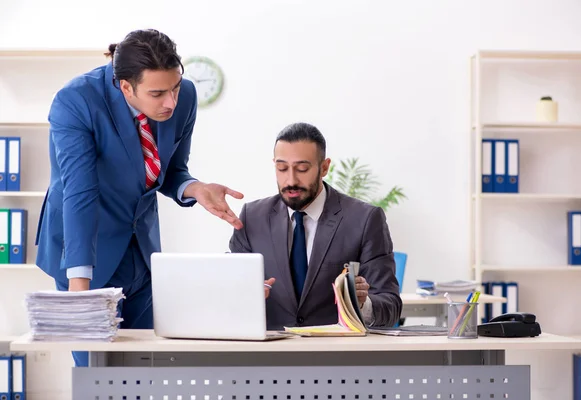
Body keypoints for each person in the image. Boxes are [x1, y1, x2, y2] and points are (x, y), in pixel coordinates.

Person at [35, 29, 243, 366]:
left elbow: (172, 170)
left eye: (175, 88)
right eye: (158, 93)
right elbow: (80, 193)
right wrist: (80, 290)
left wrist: (195, 189)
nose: (171, 103)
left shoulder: (183, 96)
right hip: (86, 250)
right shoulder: (76, 101)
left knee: (145, 369)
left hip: (142, 253)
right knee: (96, 373)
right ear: (126, 86)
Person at [229, 122, 402, 330]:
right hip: (268, 354)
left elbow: (391, 306)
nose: (290, 180)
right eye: (282, 168)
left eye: (302, 169)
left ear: (324, 167)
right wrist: (241, 294)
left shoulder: (364, 219)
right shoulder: (252, 217)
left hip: (336, 355)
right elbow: (231, 293)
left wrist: (362, 303)